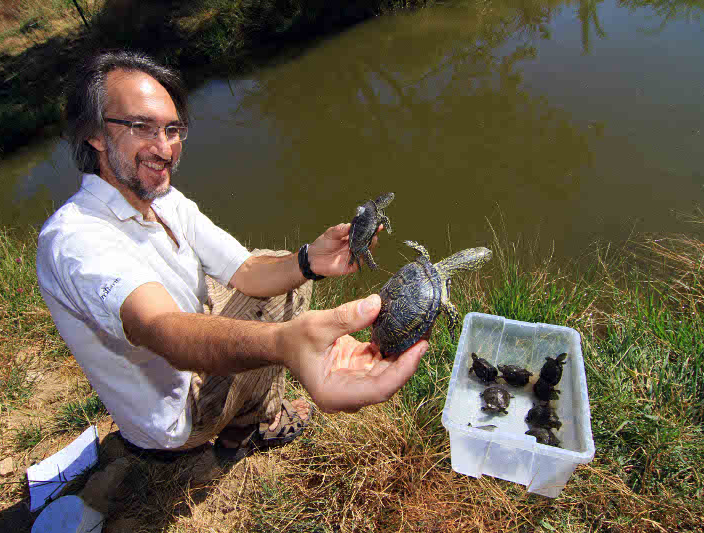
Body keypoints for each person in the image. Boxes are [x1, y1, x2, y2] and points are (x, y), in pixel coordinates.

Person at [35, 50, 427, 459]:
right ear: (94, 133)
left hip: (187, 359)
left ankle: (251, 404)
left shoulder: (165, 200)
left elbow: (244, 268)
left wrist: (312, 260)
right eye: (142, 127)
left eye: (172, 129)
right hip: (178, 413)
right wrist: (285, 343)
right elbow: (162, 329)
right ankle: (250, 429)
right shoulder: (75, 239)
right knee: (277, 314)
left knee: (282, 268)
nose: (165, 148)